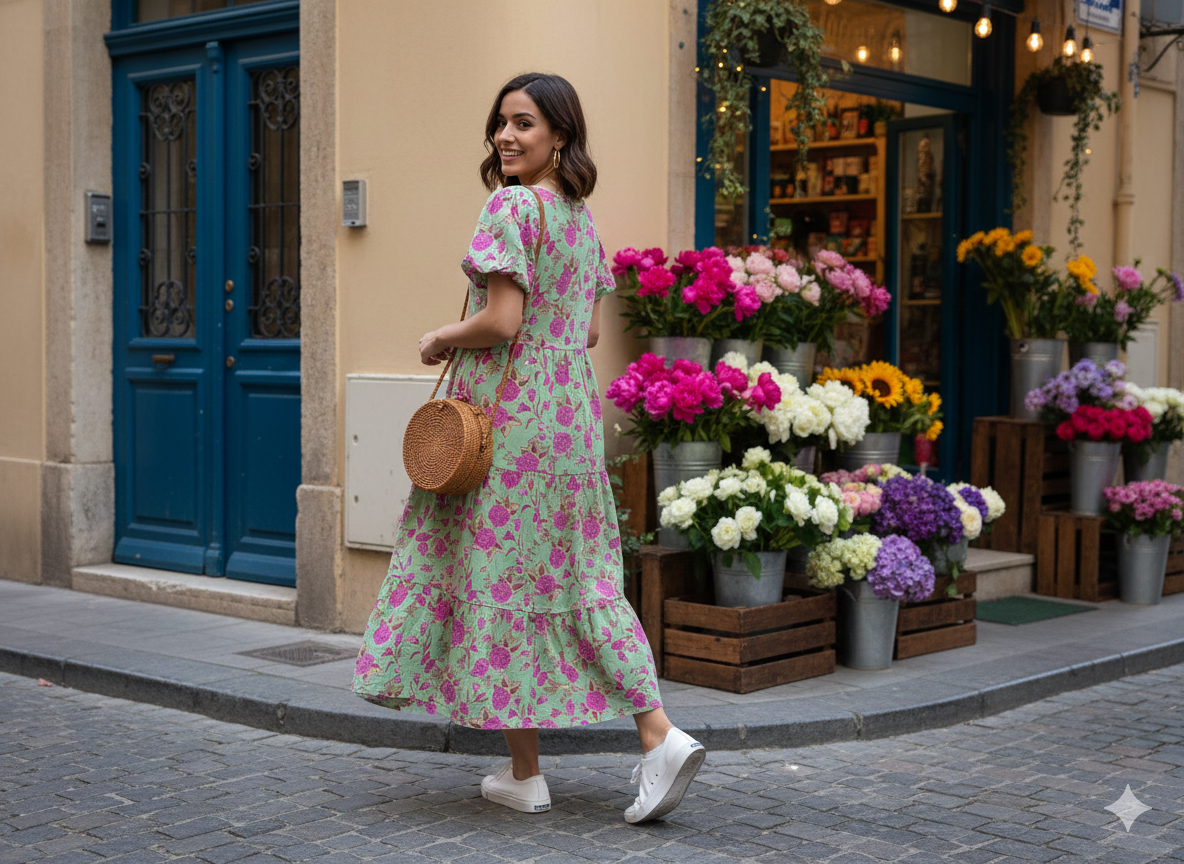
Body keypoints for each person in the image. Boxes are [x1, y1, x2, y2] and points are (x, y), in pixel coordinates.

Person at [351, 72, 705, 824]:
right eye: (501, 123)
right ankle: (531, 772)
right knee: (580, 578)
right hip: (568, 418)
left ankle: (656, 736)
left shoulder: (512, 206)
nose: (506, 136)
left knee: (500, 574)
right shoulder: (579, 220)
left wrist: (440, 336)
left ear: (559, 136)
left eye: (524, 124)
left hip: (506, 423)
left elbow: (503, 321)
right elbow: (588, 332)